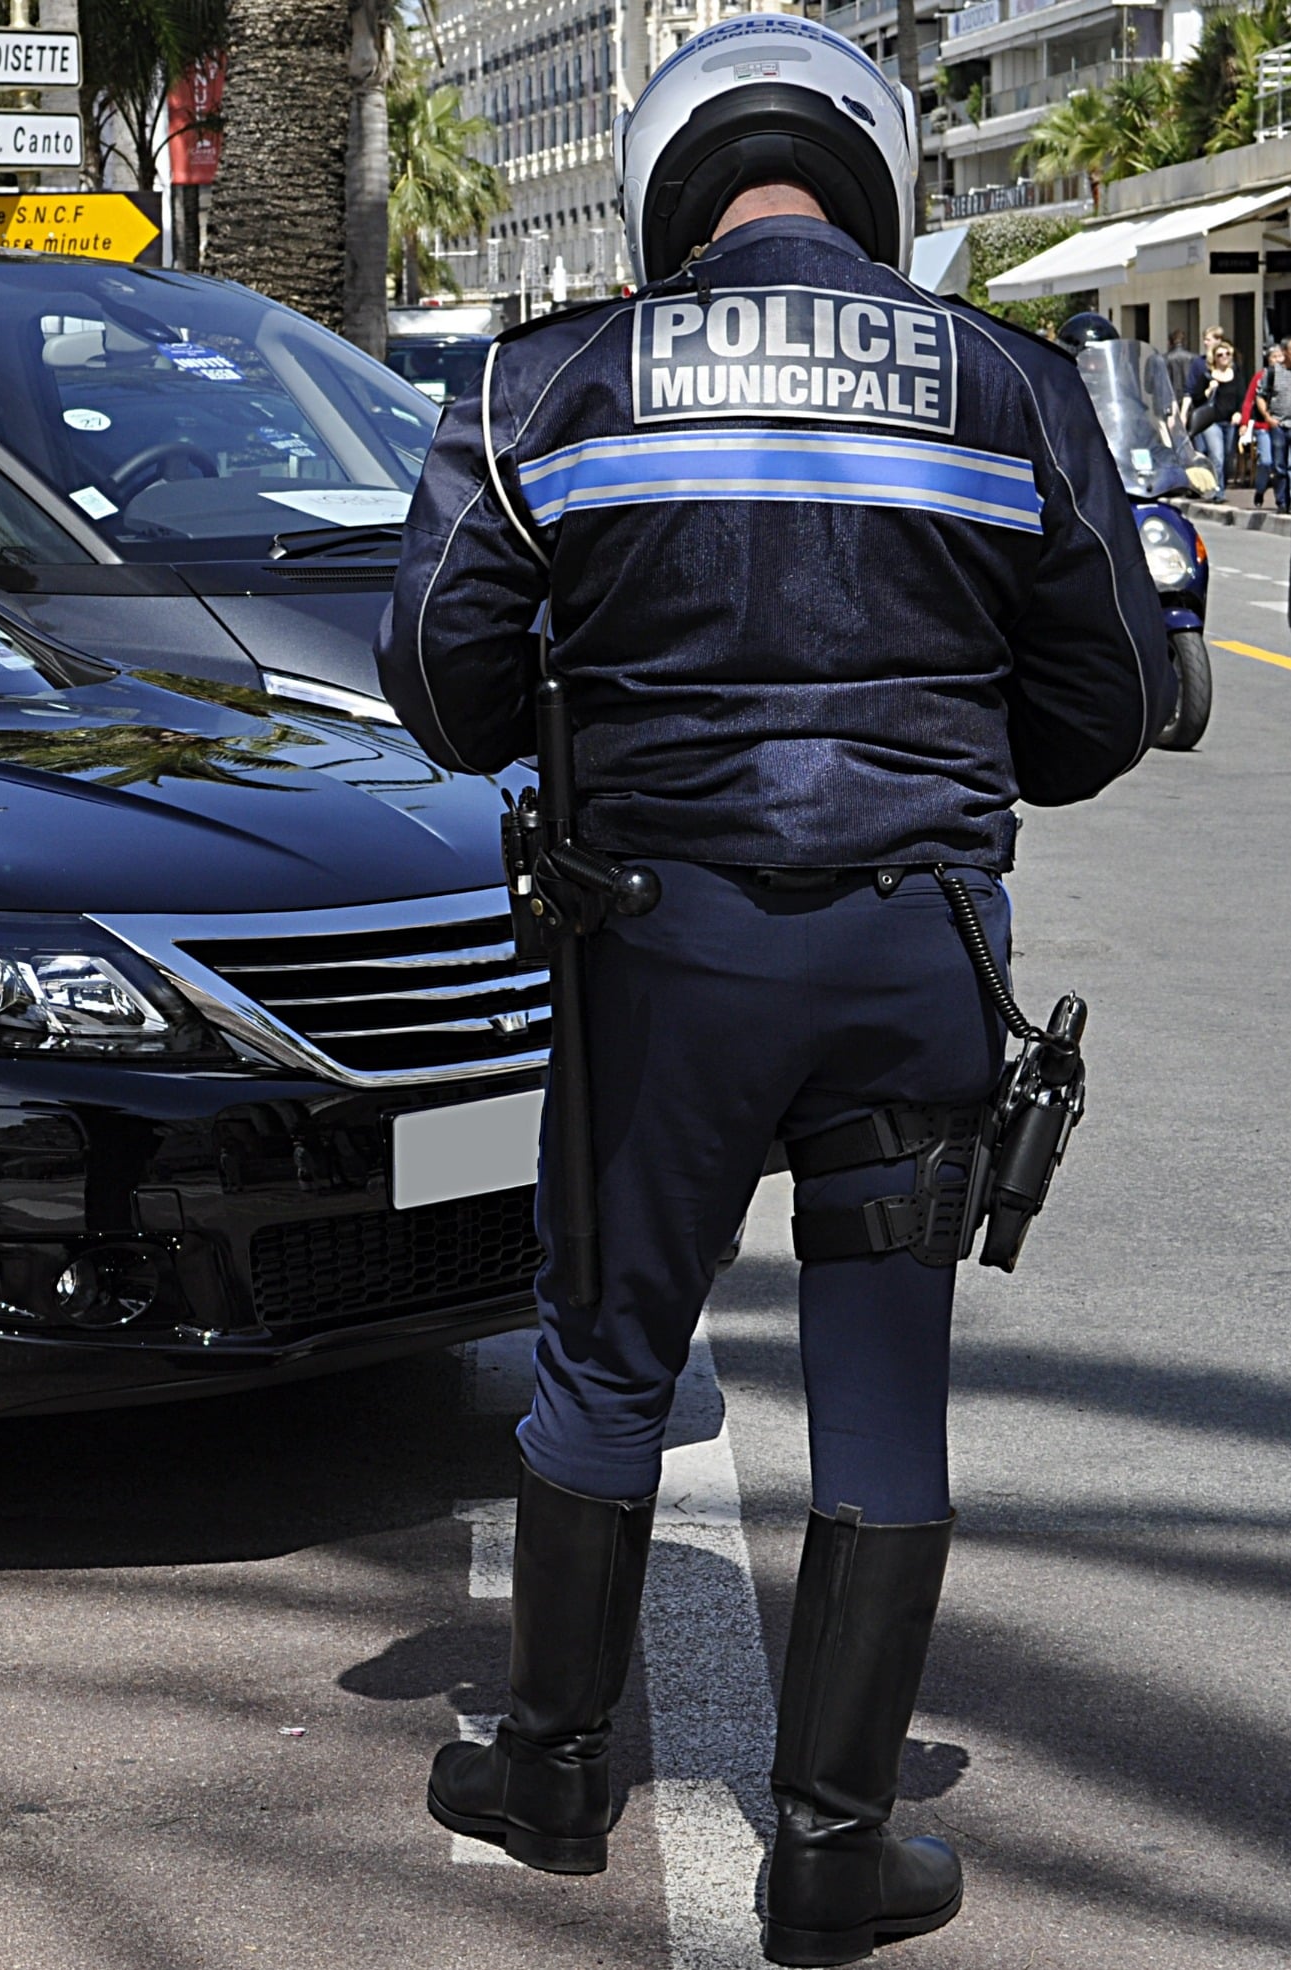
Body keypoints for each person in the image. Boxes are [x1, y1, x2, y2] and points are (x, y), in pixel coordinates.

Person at [376, 14, 1172, 1968]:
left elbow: (437, 685)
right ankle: (833, 1842)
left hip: (659, 961)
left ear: (664, 182)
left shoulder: (545, 381)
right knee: (880, 1397)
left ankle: (550, 1777)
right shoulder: (1005, 385)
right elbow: (1100, 715)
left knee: (601, 1360)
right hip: (914, 961)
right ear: (870, 176)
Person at [1239, 343, 1291, 510]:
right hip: (1272, 425)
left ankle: (1287, 500)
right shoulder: (1270, 374)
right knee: (1274, 464)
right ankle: (1275, 497)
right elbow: (1254, 398)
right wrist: (1264, 418)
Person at [1190, 340, 1243, 500]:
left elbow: (1242, 397)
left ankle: (1222, 483)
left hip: (1230, 422)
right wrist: (1208, 390)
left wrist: (1239, 413)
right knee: (1217, 456)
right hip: (1212, 422)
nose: (1224, 357)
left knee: (1228, 457)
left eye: (1227, 354)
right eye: (1220, 355)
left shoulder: (1236, 375)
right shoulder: (1207, 376)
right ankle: (1218, 491)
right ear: (1214, 358)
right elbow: (1196, 398)